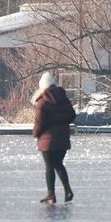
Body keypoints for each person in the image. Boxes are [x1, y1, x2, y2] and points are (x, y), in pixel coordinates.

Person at [32, 71, 76, 204]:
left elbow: (39, 123)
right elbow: (72, 115)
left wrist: (36, 134)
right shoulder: (64, 99)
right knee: (58, 164)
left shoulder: (42, 102)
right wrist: (59, 121)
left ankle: (51, 194)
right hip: (62, 139)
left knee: (49, 166)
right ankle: (67, 190)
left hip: (47, 140)